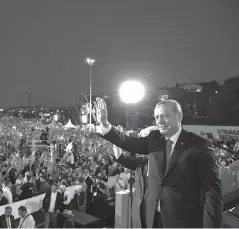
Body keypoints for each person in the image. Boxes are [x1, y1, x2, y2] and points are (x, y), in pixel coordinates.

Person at [94, 97, 222, 228]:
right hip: (152, 218)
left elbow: (212, 191)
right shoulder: (154, 139)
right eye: (156, 117)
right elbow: (127, 141)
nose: (160, 121)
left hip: (183, 221)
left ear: (179, 116)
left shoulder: (199, 145)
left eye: (165, 116)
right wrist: (105, 124)